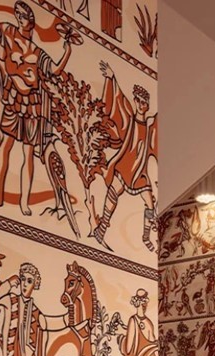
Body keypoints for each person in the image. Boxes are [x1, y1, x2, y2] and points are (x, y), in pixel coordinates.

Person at [0, 2, 76, 215]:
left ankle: (24, 202)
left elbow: (54, 70)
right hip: (13, 97)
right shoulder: (6, 31)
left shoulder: (37, 51)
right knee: (4, 144)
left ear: (32, 22)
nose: (21, 19)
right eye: (19, 14)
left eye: (25, 16)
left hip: (32, 104)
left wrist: (68, 50)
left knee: (28, 152)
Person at [93, 61, 158, 252]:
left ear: (147, 105)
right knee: (112, 194)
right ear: (135, 101)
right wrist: (111, 77)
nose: (141, 105)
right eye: (138, 101)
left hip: (140, 172)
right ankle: (101, 230)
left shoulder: (150, 125)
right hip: (125, 166)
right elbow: (118, 99)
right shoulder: (130, 119)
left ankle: (146, 237)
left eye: (144, 103)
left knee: (149, 203)